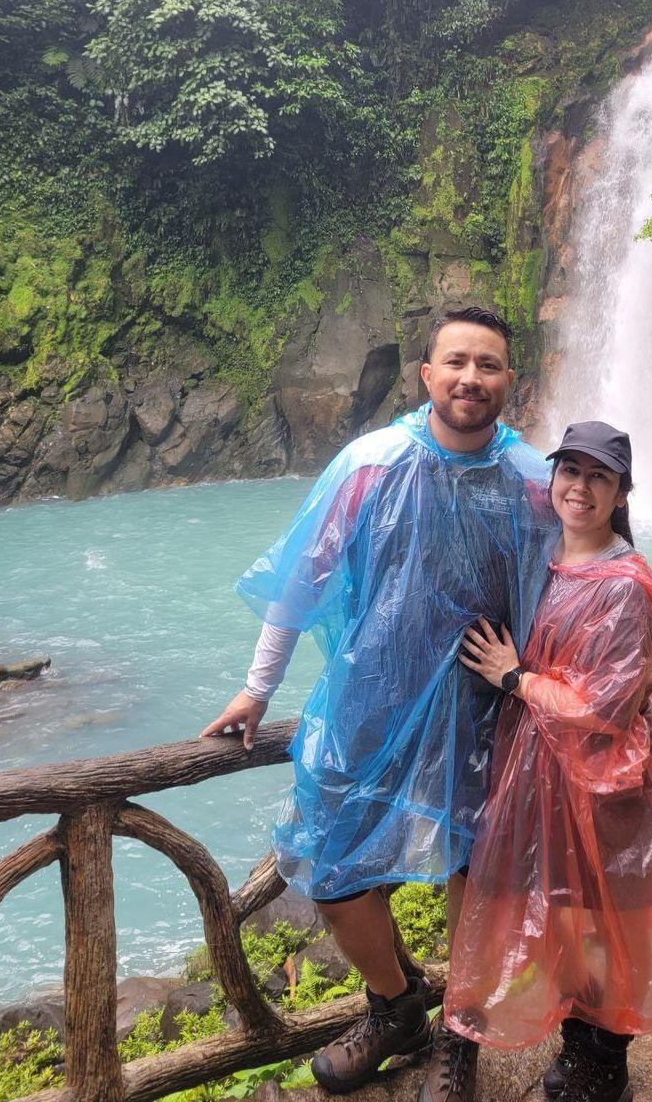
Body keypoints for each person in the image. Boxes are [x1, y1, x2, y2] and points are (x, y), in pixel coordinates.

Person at [200, 306, 556, 1097]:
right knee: (332, 869)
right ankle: (397, 1008)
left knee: (475, 871)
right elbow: (303, 579)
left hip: (486, 707)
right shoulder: (372, 463)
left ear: (509, 382)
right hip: (371, 699)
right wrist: (259, 687)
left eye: (488, 365)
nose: (471, 377)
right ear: (426, 374)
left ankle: (459, 1039)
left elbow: (578, 584)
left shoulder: (534, 481)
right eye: (456, 361)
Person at [439, 421, 652, 1102]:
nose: (579, 487)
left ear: (620, 493)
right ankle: (580, 1049)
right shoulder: (540, 558)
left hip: (607, 778)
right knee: (567, 914)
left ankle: (606, 1067)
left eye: (597, 476)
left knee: (612, 920)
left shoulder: (623, 584)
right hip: (540, 770)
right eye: (569, 472)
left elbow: (608, 705)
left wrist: (516, 680)